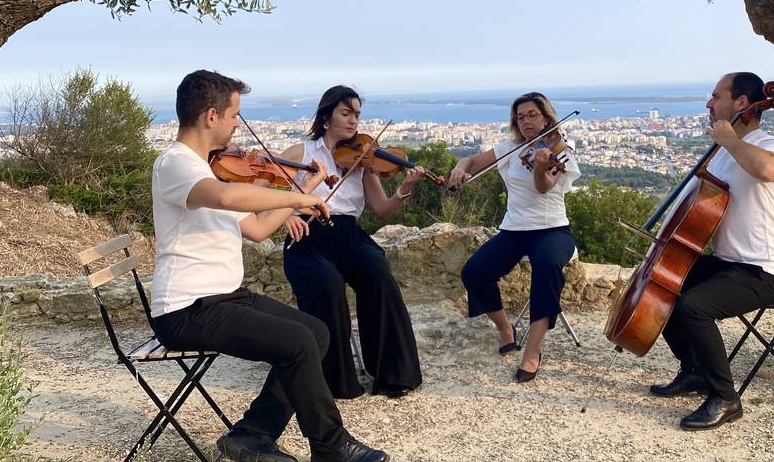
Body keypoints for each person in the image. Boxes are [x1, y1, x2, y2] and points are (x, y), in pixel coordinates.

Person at [149, 70, 388, 462]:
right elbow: (226, 198)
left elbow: (258, 229)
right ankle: (331, 446)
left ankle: (251, 435)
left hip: (223, 297)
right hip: (185, 309)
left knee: (316, 331)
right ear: (211, 116)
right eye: (234, 116)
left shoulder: (206, 168)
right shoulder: (175, 164)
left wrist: (300, 193)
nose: (236, 126)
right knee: (296, 344)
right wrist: (295, 202)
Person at [648, 72, 774, 431]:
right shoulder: (721, 153)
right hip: (731, 262)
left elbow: (767, 170)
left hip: (765, 270)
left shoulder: (768, 144)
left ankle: (726, 399)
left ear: (742, 104)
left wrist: (730, 140)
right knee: (663, 285)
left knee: (693, 308)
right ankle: (694, 371)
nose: (708, 104)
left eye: (715, 96)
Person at [278, 85, 424, 400]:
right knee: (326, 284)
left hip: (347, 231)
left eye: (357, 114)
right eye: (346, 113)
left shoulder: (361, 158)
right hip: (306, 233)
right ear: (326, 116)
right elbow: (258, 188)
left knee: (377, 270)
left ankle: (391, 373)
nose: (354, 121)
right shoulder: (301, 153)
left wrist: (403, 189)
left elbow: (383, 209)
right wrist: (284, 213)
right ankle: (334, 380)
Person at [449, 92, 581, 383]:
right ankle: (505, 328)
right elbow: (471, 160)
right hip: (514, 229)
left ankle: (532, 351)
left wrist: (541, 166)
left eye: (532, 115)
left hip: (553, 229)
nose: (526, 121)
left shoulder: (561, 148)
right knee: (475, 272)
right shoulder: (509, 148)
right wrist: (460, 167)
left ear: (546, 117)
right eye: (520, 117)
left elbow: (544, 187)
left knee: (546, 266)